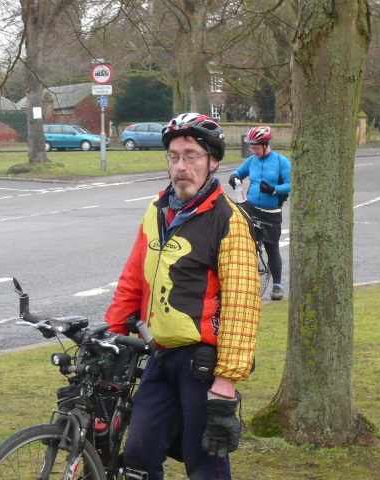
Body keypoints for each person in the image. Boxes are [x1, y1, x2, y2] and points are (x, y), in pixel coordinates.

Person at [105, 113, 262, 480]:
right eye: (174, 156)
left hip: (202, 364)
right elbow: (132, 281)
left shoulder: (228, 219)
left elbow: (243, 304)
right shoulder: (157, 211)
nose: (181, 166)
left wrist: (225, 385)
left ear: (212, 161)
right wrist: (112, 337)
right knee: (138, 454)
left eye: (191, 156)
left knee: (205, 461)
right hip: (159, 353)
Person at [229, 126, 291, 300]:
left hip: (271, 212)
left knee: (272, 248)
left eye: (256, 148)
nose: (253, 150)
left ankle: (277, 286)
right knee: (236, 236)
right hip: (250, 208)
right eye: (251, 147)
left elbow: (291, 184)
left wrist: (274, 190)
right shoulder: (252, 161)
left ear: (265, 145)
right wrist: (234, 177)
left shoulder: (281, 162)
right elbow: (239, 173)